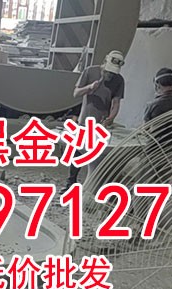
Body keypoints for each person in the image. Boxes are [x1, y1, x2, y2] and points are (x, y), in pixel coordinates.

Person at [62, 50, 125, 193]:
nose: (110, 75)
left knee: (98, 153)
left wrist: (111, 118)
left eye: (112, 73)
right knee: (78, 151)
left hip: (102, 123)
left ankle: (96, 186)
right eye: (108, 72)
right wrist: (89, 87)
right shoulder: (90, 72)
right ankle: (71, 182)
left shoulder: (119, 80)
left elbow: (116, 103)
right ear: (104, 62)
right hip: (84, 120)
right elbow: (76, 93)